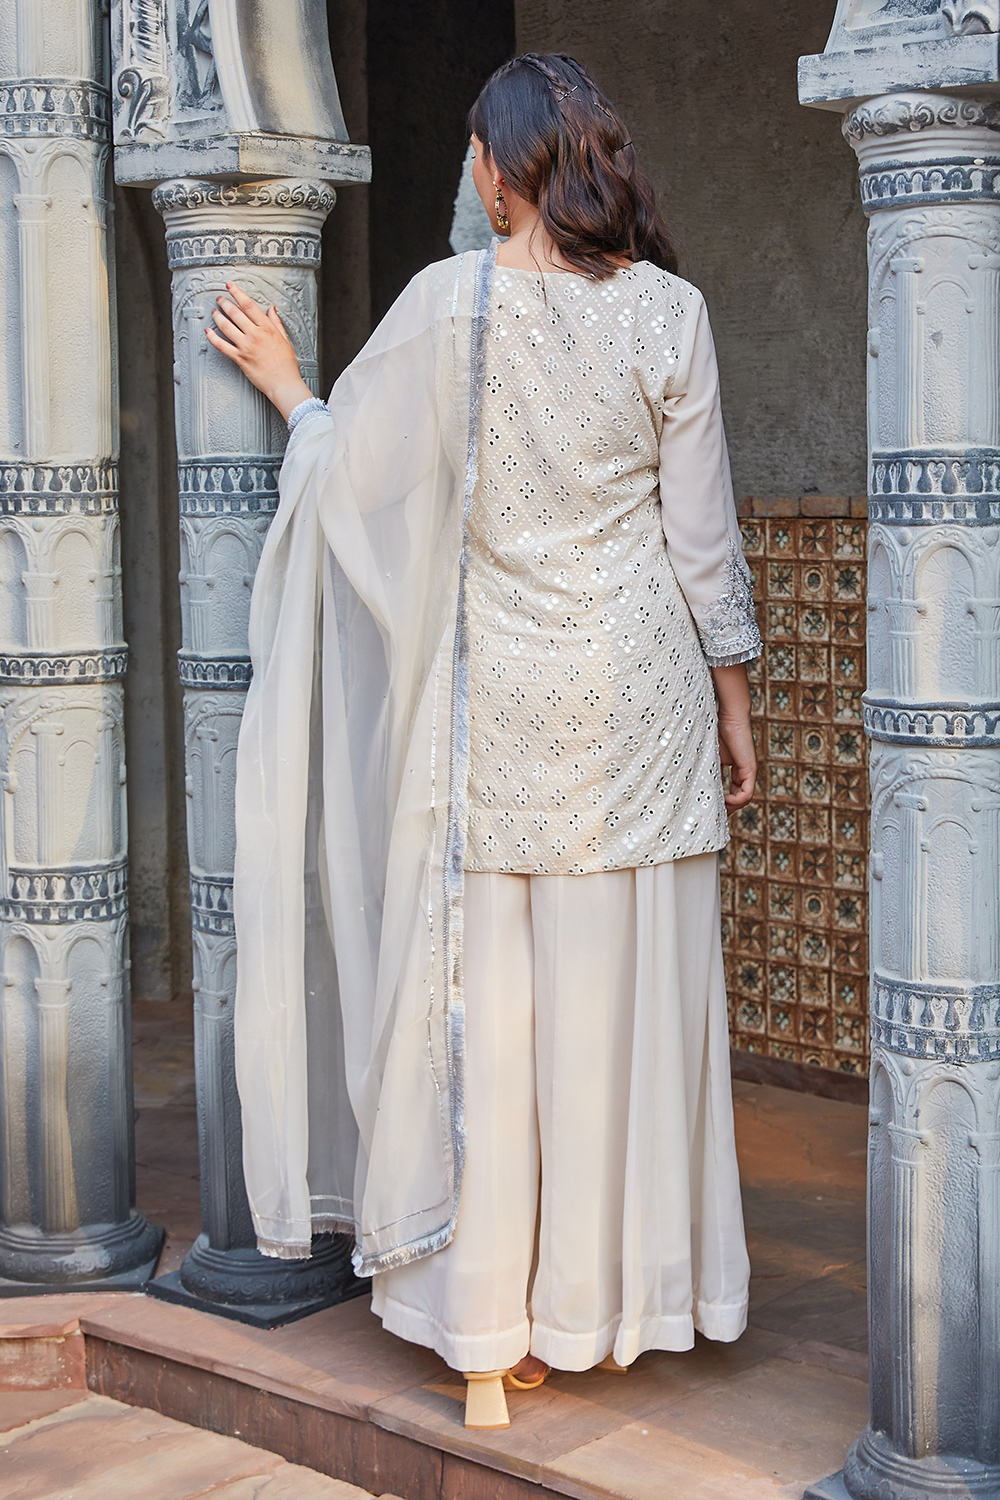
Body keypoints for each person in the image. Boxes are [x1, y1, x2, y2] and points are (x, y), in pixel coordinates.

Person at [213, 52, 760, 1431]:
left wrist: (295, 394)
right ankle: (610, 1304)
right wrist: (736, 706)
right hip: (640, 709)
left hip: (504, 717)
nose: (467, 172)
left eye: (473, 152)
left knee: (495, 1018)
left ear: (507, 175)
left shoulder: (445, 310)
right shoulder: (673, 315)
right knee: (616, 1005)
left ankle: (489, 1332)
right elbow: (704, 542)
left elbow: (357, 487)